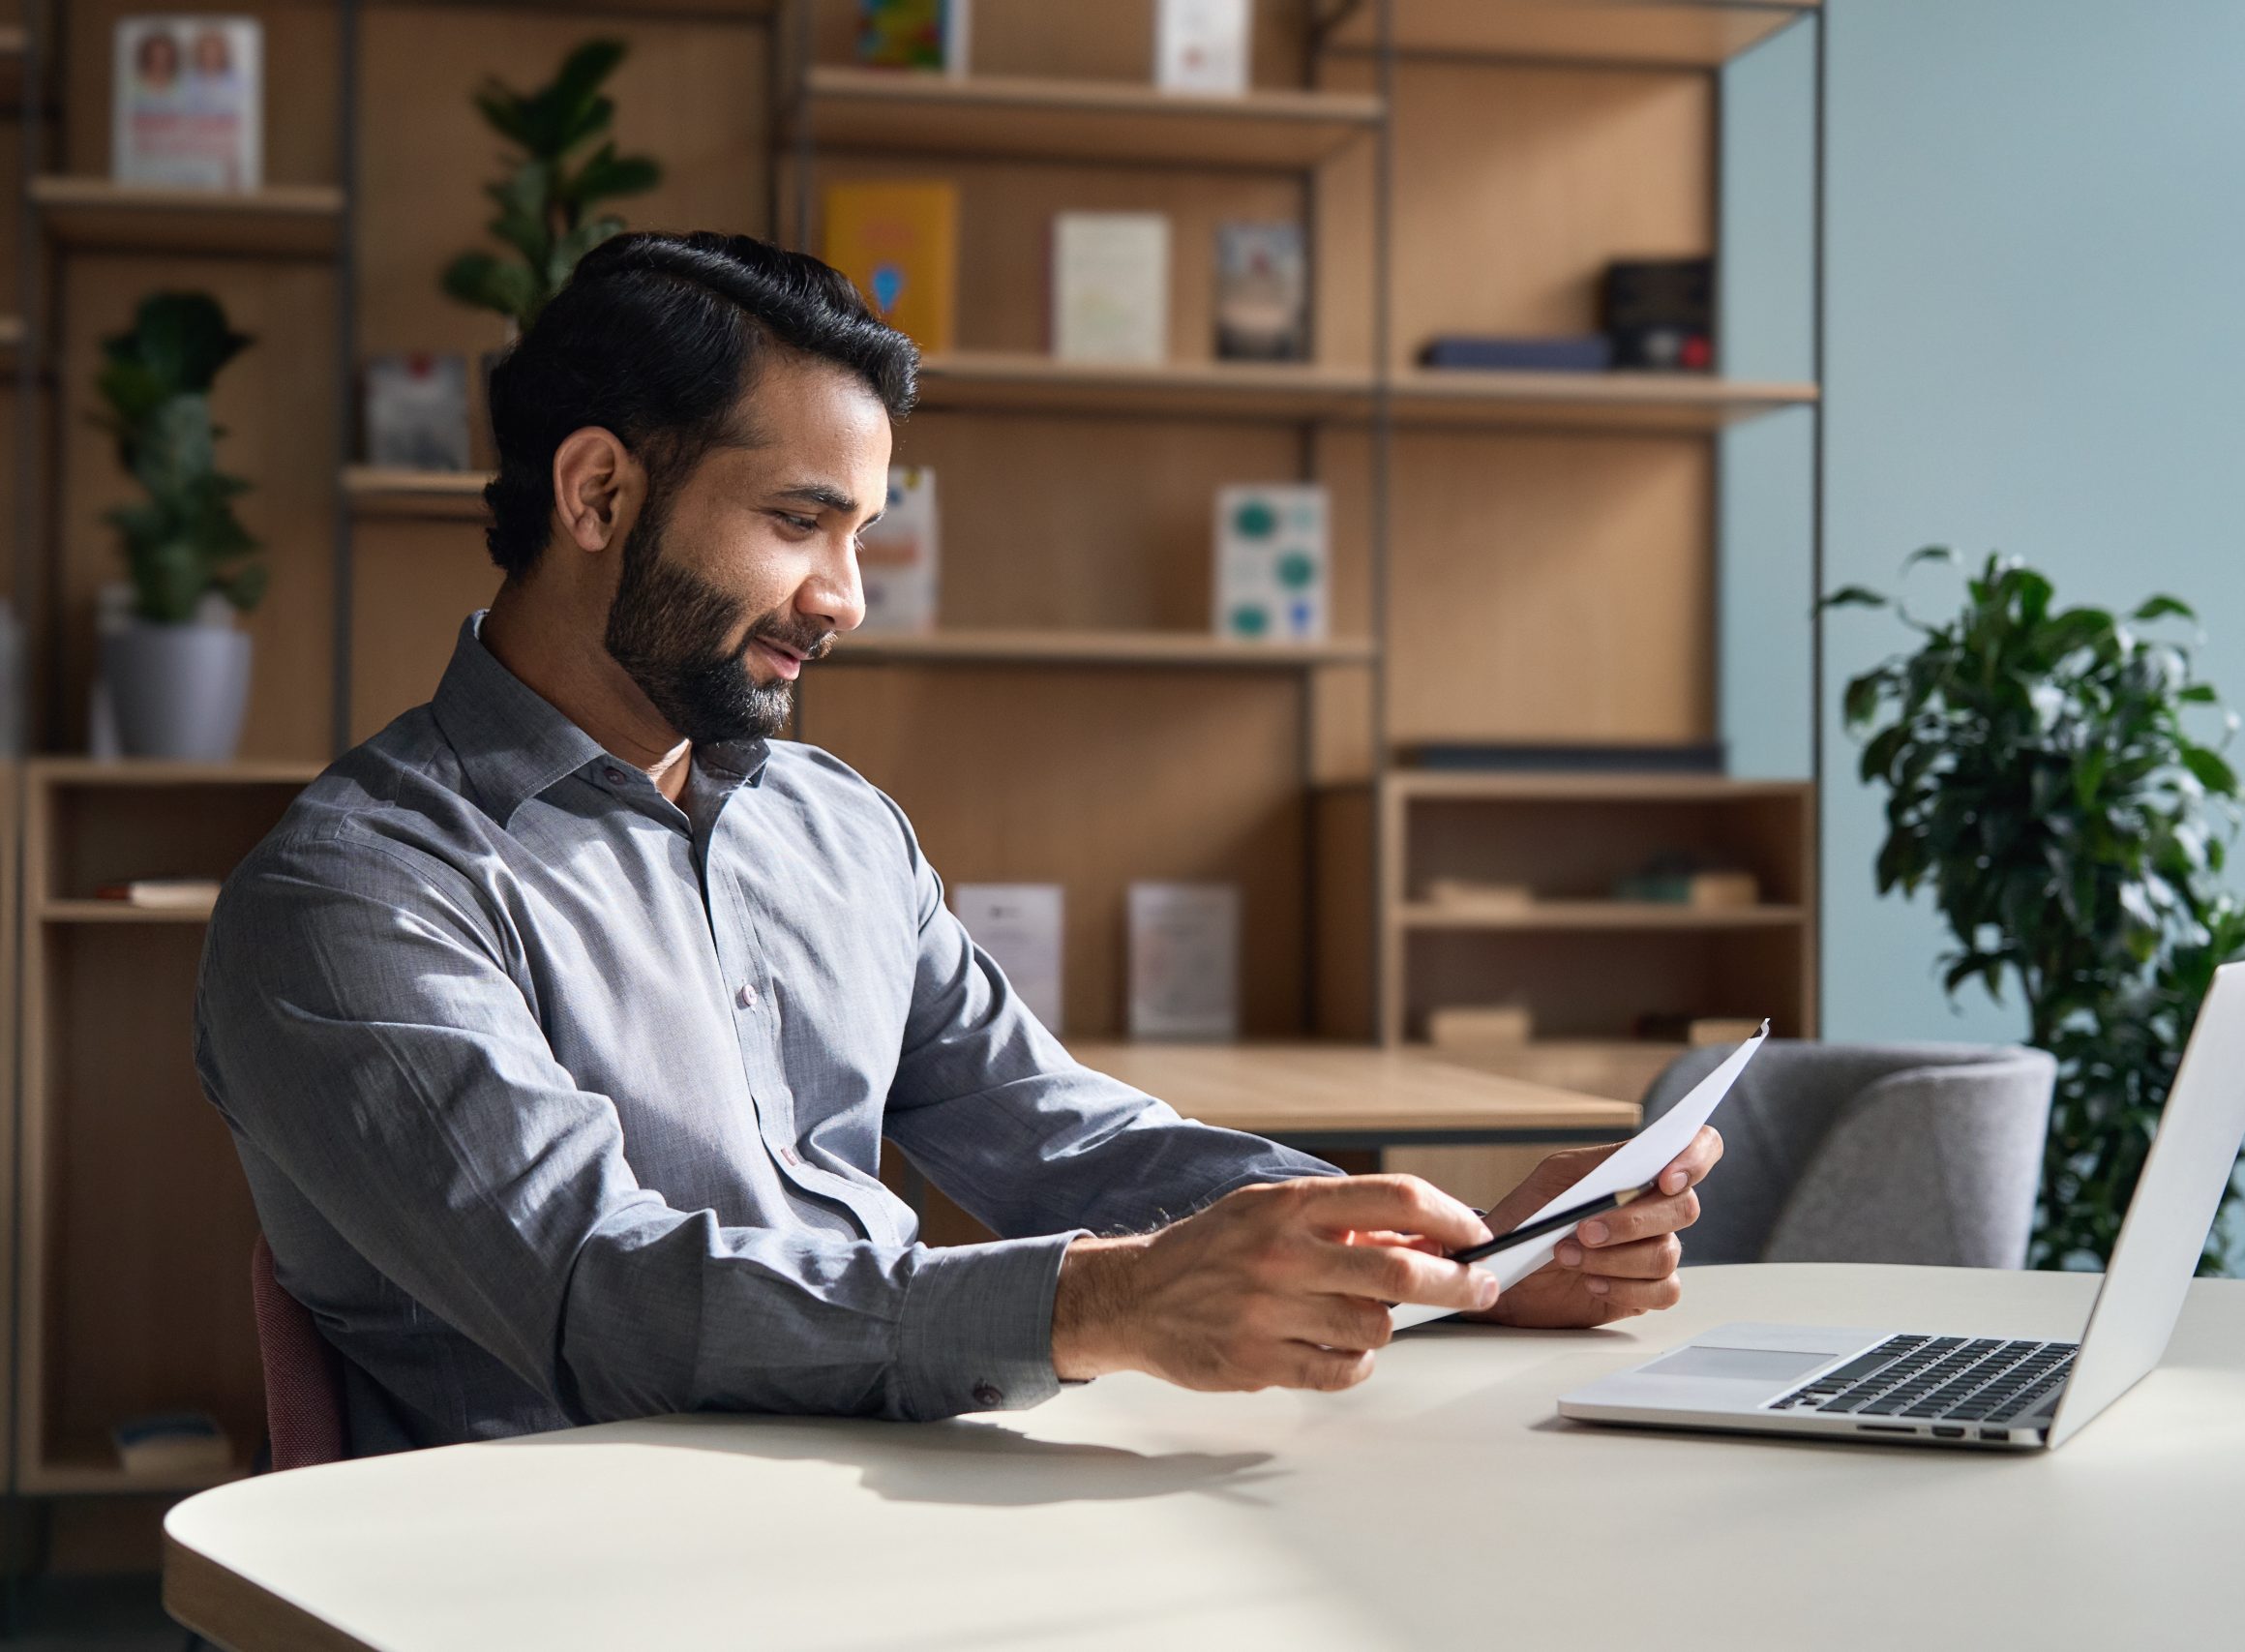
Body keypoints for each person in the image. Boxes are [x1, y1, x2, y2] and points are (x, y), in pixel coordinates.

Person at [195, 231, 1722, 1455]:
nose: (849, 596)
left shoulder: (835, 828)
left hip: (878, 1500)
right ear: (598, 492)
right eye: (801, 523)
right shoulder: (354, 895)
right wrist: (1098, 1305)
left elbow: (1059, 1135)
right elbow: (608, 1296)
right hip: (567, 1584)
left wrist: (1428, 1256)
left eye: (860, 533)